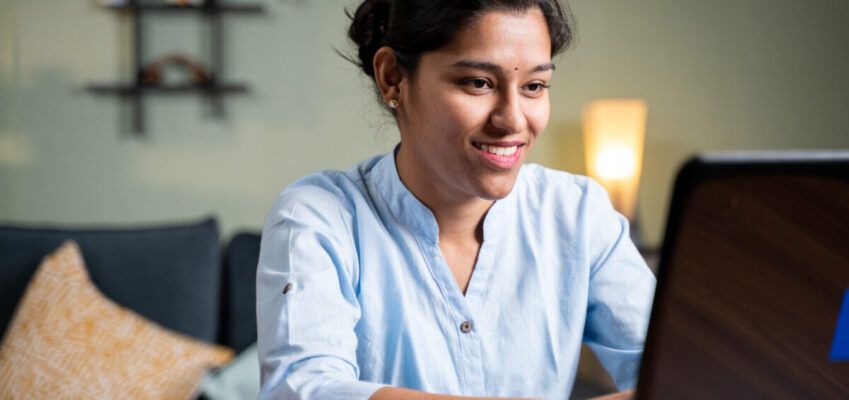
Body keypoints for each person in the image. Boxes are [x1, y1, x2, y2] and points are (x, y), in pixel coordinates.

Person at [256, 1, 656, 399]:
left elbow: (684, 371)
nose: (513, 121)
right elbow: (303, 390)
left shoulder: (578, 213)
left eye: (533, 86)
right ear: (392, 77)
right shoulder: (318, 216)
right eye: (479, 83)